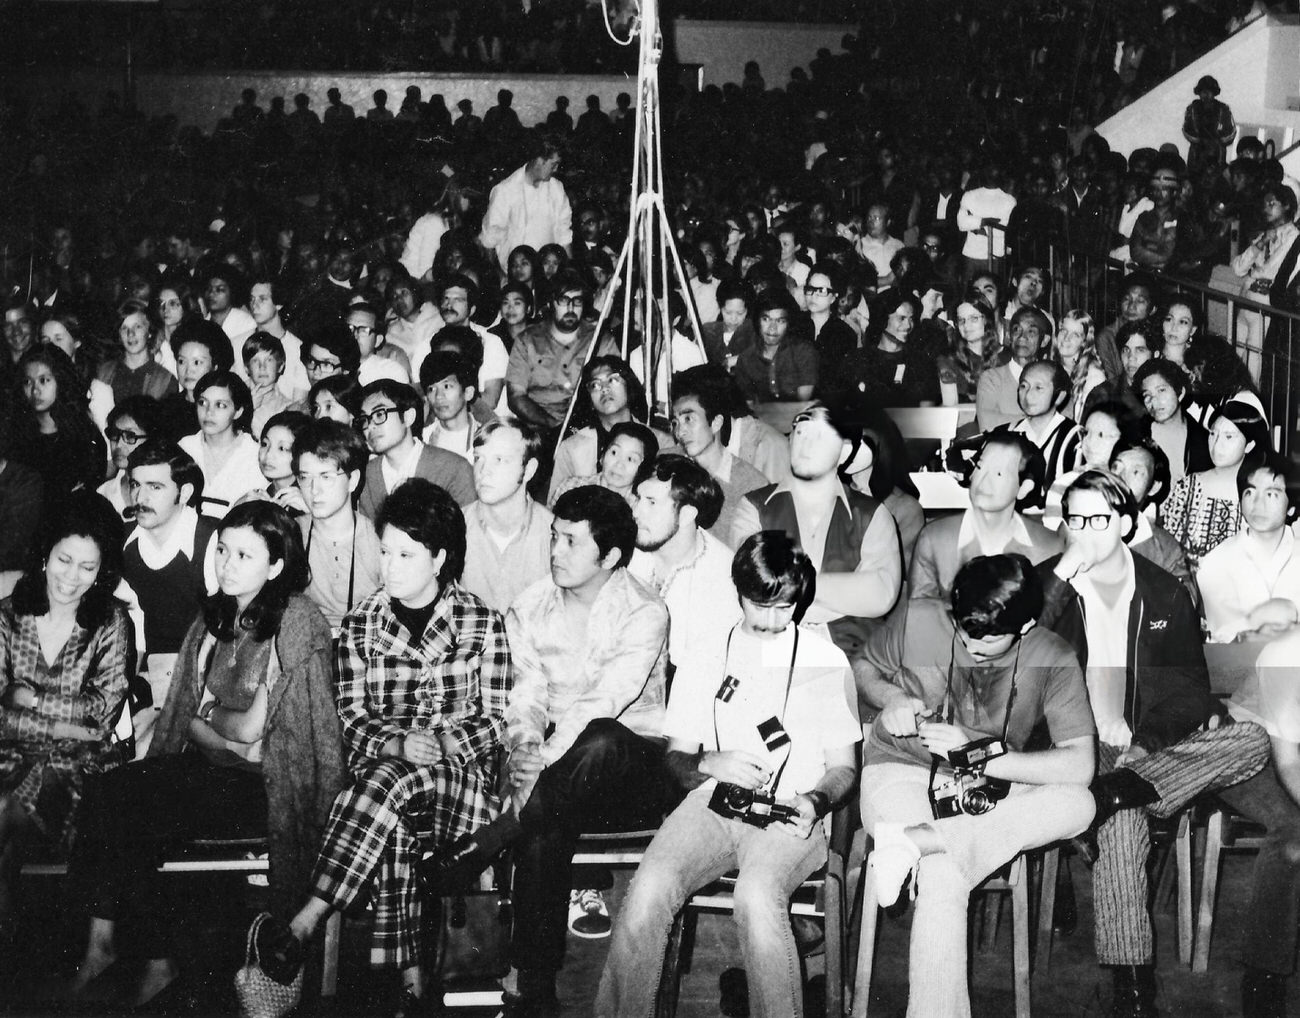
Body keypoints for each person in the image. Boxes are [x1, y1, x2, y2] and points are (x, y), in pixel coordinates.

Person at [67, 502, 345, 1009]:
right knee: (109, 791)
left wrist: (215, 720)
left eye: (244, 554)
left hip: (267, 783)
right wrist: (221, 725)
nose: (226, 563)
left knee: (140, 810)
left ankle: (155, 960)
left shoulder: (298, 620)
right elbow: (196, 718)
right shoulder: (216, 614)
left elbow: (257, 733)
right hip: (213, 770)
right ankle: (104, 947)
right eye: (221, 550)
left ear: (276, 566)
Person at [262, 479, 511, 1016]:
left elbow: (494, 720)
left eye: (406, 554)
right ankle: (412, 982)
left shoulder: (481, 622)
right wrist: (397, 741)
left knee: (385, 785)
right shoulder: (360, 626)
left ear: (439, 557)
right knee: (390, 798)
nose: (389, 566)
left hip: (459, 786)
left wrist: (443, 740)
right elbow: (351, 720)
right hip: (383, 788)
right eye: (384, 551)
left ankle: (308, 918)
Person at [1037, 470, 1271, 1018]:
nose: (1083, 533)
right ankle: (1134, 993)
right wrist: (1061, 577)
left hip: (1145, 751)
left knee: (1252, 741)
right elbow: (1020, 648)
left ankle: (1120, 790)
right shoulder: (1050, 585)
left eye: (1096, 520)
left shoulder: (1164, 591)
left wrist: (1144, 747)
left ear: (1123, 523)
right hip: (1075, 744)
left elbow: (1189, 689)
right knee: (1123, 823)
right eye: (1073, 520)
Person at [598, 532, 859, 1018]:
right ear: (739, 593)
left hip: (790, 813)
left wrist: (815, 802)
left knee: (757, 896)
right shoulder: (704, 654)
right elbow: (675, 761)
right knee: (650, 885)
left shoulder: (827, 660)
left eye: (785, 608)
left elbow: (845, 767)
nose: (772, 620)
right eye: (760, 605)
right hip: (714, 803)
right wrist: (706, 763)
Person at [438, 486, 670, 1016]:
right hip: (552, 777)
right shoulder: (530, 604)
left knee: (601, 737)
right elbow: (527, 693)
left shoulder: (645, 610)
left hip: (628, 768)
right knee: (544, 819)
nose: (555, 551)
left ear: (609, 556)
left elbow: (606, 699)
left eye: (571, 541)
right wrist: (524, 746)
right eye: (554, 537)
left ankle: (493, 838)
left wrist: (543, 758)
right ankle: (532, 989)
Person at [856, 554, 1097, 1018]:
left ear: (1026, 625)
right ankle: (922, 841)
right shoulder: (924, 616)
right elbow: (864, 668)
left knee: (1080, 802)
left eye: (989, 641)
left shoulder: (1053, 655)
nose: (972, 645)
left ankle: (914, 842)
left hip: (987, 782)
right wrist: (892, 698)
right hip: (901, 769)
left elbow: (1080, 765)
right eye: (964, 633)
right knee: (945, 875)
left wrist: (983, 753)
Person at [0, 494, 132, 950]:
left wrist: (29, 697)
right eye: (63, 560)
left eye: (87, 568)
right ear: (44, 553)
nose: (71, 578)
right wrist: (62, 719)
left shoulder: (112, 621)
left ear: (103, 572)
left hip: (80, 769)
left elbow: (102, 716)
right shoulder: (6, 616)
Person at [732, 402, 902, 659]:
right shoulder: (753, 507)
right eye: (800, 433)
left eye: (820, 436)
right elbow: (754, 583)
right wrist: (845, 596)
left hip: (850, 656)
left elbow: (880, 595)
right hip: (770, 650)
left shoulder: (873, 515)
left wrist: (793, 588)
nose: (806, 445)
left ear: (843, 450)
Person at [119, 440, 217, 756]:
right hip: (149, 677)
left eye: (155, 487)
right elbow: (131, 628)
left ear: (184, 493)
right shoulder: (125, 544)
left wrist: (168, 704)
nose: (140, 497)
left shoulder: (212, 542)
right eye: (135, 485)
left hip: (206, 683)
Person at [629, 455, 741, 683]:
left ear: (687, 514)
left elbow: (707, 676)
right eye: (638, 498)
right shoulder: (629, 551)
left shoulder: (723, 578)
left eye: (651, 502)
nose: (636, 512)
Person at [910, 432, 1060, 599]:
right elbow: (918, 614)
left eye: (999, 474)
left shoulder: (1049, 547)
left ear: (1023, 487)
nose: (983, 480)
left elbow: (1052, 617)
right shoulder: (934, 538)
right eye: (980, 467)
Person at [1196, 451, 1300, 643]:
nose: (1258, 504)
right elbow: (1221, 640)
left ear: (1292, 506)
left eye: (1271, 494)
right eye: (1249, 492)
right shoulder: (1216, 562)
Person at [292, 420, 381, 635]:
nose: (314, 490)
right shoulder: (291, 534)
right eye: (304, 477)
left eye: (326, 477)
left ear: (353, 480)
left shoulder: (379, 540)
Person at [1161, 399, 1270, 566]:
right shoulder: (1188, 487)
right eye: (1213, 434)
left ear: (1249, 445)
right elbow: (1167, 550)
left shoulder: (1260, 496)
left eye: (1228, 437)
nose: (1217, 444)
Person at [461, 420, 553, 614]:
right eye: (478, 458)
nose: (483, 471)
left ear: (528, 470)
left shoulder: (553, 533)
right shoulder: (454, 526)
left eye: (500, 460)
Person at [505, 271, 615, 431]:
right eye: (563, 301)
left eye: (577, 302)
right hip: (537, 427)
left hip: (586, 429)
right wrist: (555, 426)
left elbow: (615, 387)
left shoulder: (599, 339)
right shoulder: (527, 339)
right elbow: (516, 396)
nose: (571, 308)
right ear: (551, 303)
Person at [355, 379, 476, 518]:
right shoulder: (368, 474)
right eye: (365, 419)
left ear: (408, 417)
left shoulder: (454, 468)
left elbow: (470, 532)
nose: (370, 426)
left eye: (380, 414)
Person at [670, 375, 771, 541]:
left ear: (716, 423)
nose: (680, 432)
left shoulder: (752, 484)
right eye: (676, 422)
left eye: (689, 419)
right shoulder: (669, 464)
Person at [548, 356, 659, 502]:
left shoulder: (662, 442)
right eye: (595, 385)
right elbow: (553, 508)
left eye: (612, 380)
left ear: (629, 385)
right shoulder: (571, 447)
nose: (605, 389)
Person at [12, 345, 107, 500]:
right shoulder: (17, 438)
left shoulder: (85, 437)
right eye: (28, 382)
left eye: (44, 380)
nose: (35, 390)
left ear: (61, 380)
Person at [480, 133, 573, 274]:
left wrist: (569, 272)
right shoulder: (505, 190)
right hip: (515, 275)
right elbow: (489, 240)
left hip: (549, 273)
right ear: (539, 159)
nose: (556, 170)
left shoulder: (557, 189)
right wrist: (499, 277)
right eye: (553, 164)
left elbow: (564, 234)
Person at [178, 370, 264, 519]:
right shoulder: (185, 447)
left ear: (238, 412)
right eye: (202, 403)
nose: (209, 412)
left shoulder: (254, 455)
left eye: (220, 405)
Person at [844, 291, 938, 408]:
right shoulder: (858, 360)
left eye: (911, 319)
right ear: (882, 319)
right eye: (902, 318)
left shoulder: (921, 362)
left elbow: (927, 413)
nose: (908, 325)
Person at [731, 289, 818, 404]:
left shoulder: (803, 352)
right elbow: (749, 406)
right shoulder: (746, 359)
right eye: (766, 319)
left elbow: (802, 405)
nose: (772, 328)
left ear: (788, 324)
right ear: (757, 321)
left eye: (780, 321)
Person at [1133, 359, 1209, 485]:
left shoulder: (1202, 439)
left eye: (1161, 390)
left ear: (1180, 392)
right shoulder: (1137, 434)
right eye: (1147, 395)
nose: (1154, 401)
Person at [550, 421, 658, 508]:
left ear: (643, 469)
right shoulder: (570, 487)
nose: (619, 464)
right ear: (602, 456)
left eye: (630, 459)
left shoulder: (640, 507)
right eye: (614, 452)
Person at [976, 308, 1051, 431]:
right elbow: (987, 425)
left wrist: (1010, 421)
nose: (1022, 337)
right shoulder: (991, 378)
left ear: (1044, 341)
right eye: (1016, 330)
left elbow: (1060, 425)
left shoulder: (1051, 379)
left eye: (1031, 332)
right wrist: (1039, 422)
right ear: (1008, 336)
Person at [97, 396, 165, 520]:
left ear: (153, 439)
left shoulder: (168, 493)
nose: (118, 445)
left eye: (129, 436)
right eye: (114, 435)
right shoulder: (103, 493)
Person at [98, 299, 176, 403]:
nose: (131, 334)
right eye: (124, 328)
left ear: (149, 332)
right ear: (119, 335)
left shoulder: (164, 379)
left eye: (137, 327)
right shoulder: (105, 373)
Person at [419, 351, 481, 463]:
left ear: (468, 392)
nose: (438, 396)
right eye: (431, 389)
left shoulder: (485, 440)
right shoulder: (422, 440)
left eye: (446, 386)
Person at [1182, 75, 1238, 178]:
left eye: (1209, 91)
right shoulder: (1192, 109)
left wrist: (1218, 141)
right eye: (1203, 91)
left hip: (1218, 155)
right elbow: (1186, 129)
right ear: (1199, 93)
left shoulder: (1223, 109)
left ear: (1214, 92)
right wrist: (1199, 141)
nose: (1206, 95)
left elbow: (1232, 131)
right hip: (1196, 155)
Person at [242, 331, 296, 437]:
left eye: (269, 360)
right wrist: (248, 408)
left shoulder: (285, 407)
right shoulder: (232, 394)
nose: (262, 367)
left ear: (280, 367)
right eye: (255, 361)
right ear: (246, 368)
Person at [701, 279, 758, 370]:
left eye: (740, 313)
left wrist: (740, 359)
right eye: (728, 312)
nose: (733, 319)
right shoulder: (708, 331)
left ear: (747, 310)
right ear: (720, 308)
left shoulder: (754, 331)